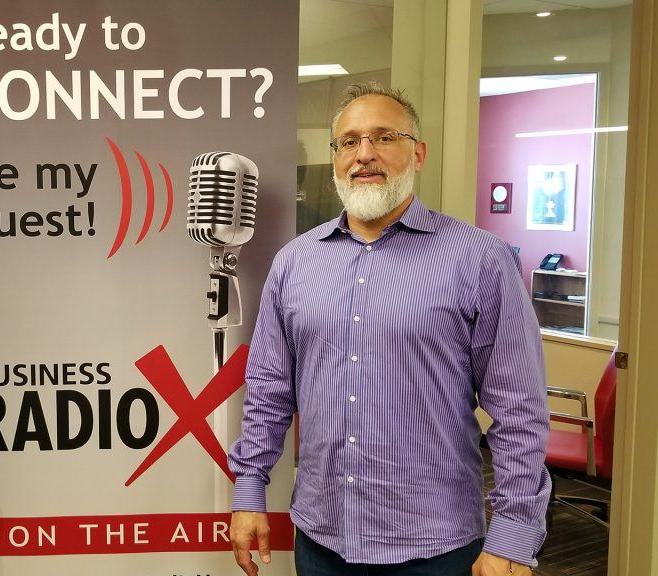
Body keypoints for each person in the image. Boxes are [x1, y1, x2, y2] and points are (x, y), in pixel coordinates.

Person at [228, 83, 550, 576]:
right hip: (322, 540)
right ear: (335, 159)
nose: (364, 154)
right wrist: (249, 488)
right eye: (349, 142)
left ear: (418, 154)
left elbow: (519, 408)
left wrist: (514, 533)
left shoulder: (481, 260)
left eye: (383, 137)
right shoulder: (295, 262)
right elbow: (270, 389)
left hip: (435, 548)